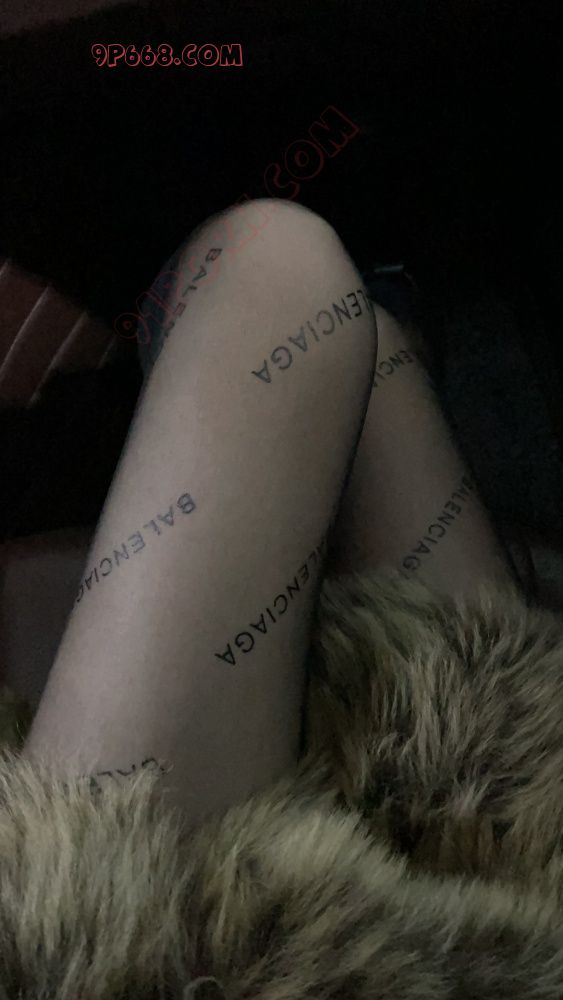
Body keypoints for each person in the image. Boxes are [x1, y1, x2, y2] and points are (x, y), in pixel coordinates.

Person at [20, 198, 512, 824]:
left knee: (281, 260)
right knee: (332, 314)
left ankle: (329, 339)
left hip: (139, 882)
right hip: (509, 826)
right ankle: (368, 335)